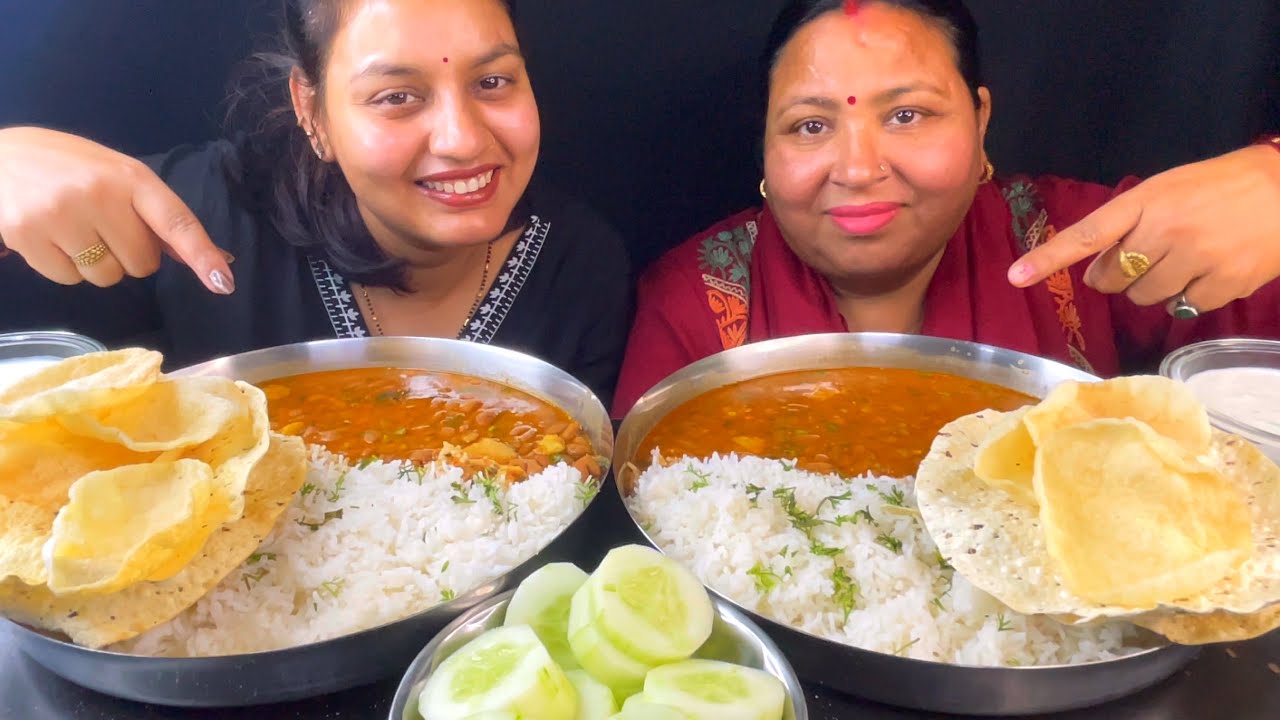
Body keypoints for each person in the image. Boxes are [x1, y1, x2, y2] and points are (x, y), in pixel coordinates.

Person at [612, 0, 1280, 416]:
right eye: (810, 126)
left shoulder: (1086, 246)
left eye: (907, 114)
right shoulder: (694, 304)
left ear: (980, 118)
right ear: (764, 145)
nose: (857, 168)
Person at [0, 0, 631, 406]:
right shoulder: (199, 212)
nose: (463, 139)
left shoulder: (584, 266)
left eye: (492, 83)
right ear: (311, 109)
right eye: (396, 96)